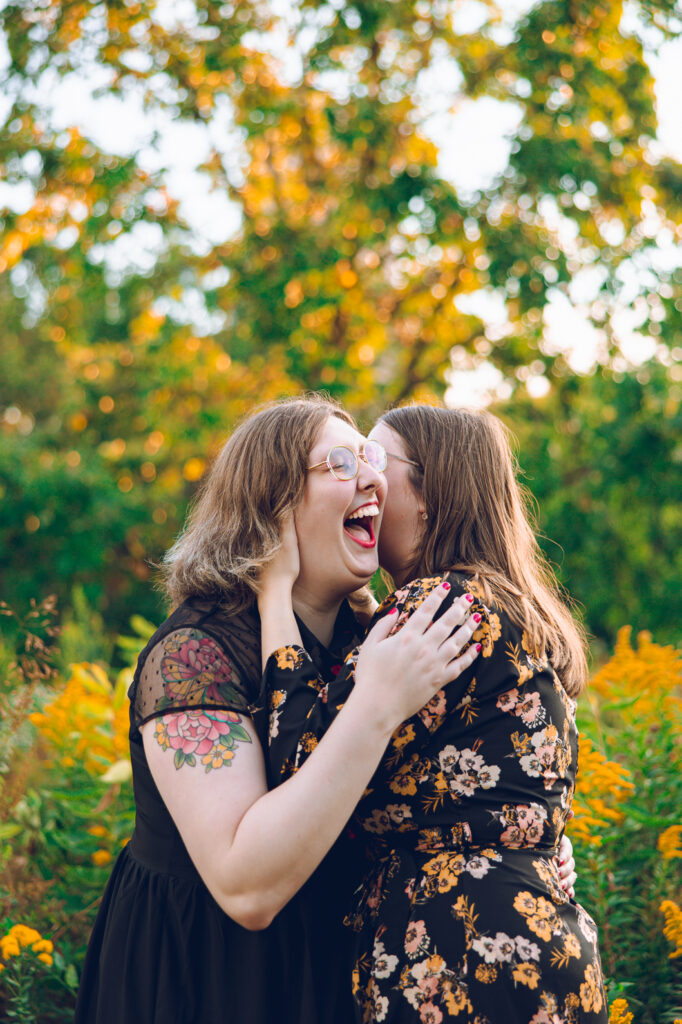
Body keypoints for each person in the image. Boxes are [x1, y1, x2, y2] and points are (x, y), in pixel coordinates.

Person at [74, 395, 483, 1024]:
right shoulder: (193, 654)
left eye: (372, 459)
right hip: (206, 979)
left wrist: (522, 854)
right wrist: (375, 709)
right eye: (341, 463)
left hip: (335, 972)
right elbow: (247, 888)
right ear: (273, 504)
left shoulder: (372, 643)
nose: (373, 477)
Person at [259, 404, 605, 1023]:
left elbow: (297, 762)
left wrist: (273, 594)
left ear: (428, 497)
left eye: (376, 460)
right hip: (546, 942)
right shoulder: (513, 607)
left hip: (456, 953)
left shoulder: (433, 607)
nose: (364, 478)